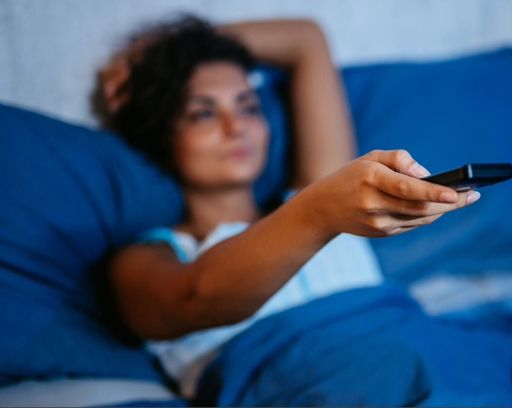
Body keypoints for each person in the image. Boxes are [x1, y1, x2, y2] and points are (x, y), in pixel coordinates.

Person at [95, 16, 480, 398]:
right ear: (160, 136)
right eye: (204, 113)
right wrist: (319, 213)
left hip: (434, 359)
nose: (236, 127)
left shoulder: (324, 194)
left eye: (248, 106)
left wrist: (172, 51)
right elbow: (200, 299)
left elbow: (306, 41)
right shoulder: (144, 260)